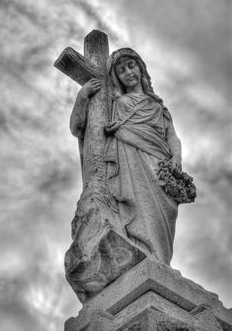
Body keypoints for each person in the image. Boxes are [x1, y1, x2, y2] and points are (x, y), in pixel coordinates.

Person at [70, 48, 182, 265]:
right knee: (136, 212)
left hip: (160, 166)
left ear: (141, 68)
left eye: (131, 65)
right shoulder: (115, 103)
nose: (128, 72)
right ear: (116, 77)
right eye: (121, 70)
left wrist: (176, 157)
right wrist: (82, 95)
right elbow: (78, 127)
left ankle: (160, 263)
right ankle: (144, 258)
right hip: (130, 162)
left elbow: (172, 137)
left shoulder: (157, 106)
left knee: (160, 219)